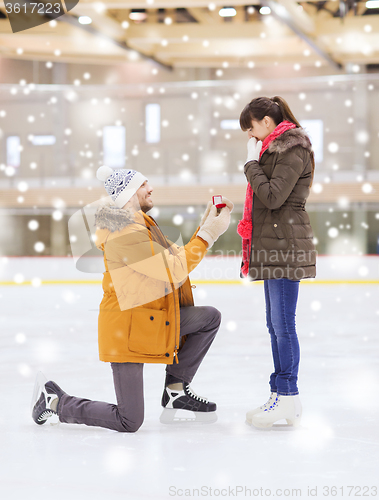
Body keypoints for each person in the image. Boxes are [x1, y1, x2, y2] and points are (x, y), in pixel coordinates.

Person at [32, 166, 233, 432]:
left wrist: (205, 227)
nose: (151, 188)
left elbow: (176, 257)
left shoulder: (142, 224)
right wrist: (208, 236)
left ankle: (176, 391)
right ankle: (56, 401)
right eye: (143, 185)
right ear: (127, 195)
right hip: (126, 329)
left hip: (148, 319)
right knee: (129, 420)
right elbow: (173, 270)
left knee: (208, 318)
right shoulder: (124, 234)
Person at [237, 96, 317, 428]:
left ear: (267, 123)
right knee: (275, 325)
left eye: (252, 129)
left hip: (286, 246)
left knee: (284, 326)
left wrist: (250, 166)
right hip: (275, 245)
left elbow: (272, 196)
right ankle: (282, 396)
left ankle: (287, 395)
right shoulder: (275, 151)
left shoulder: (293, 150)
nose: (251, 138)